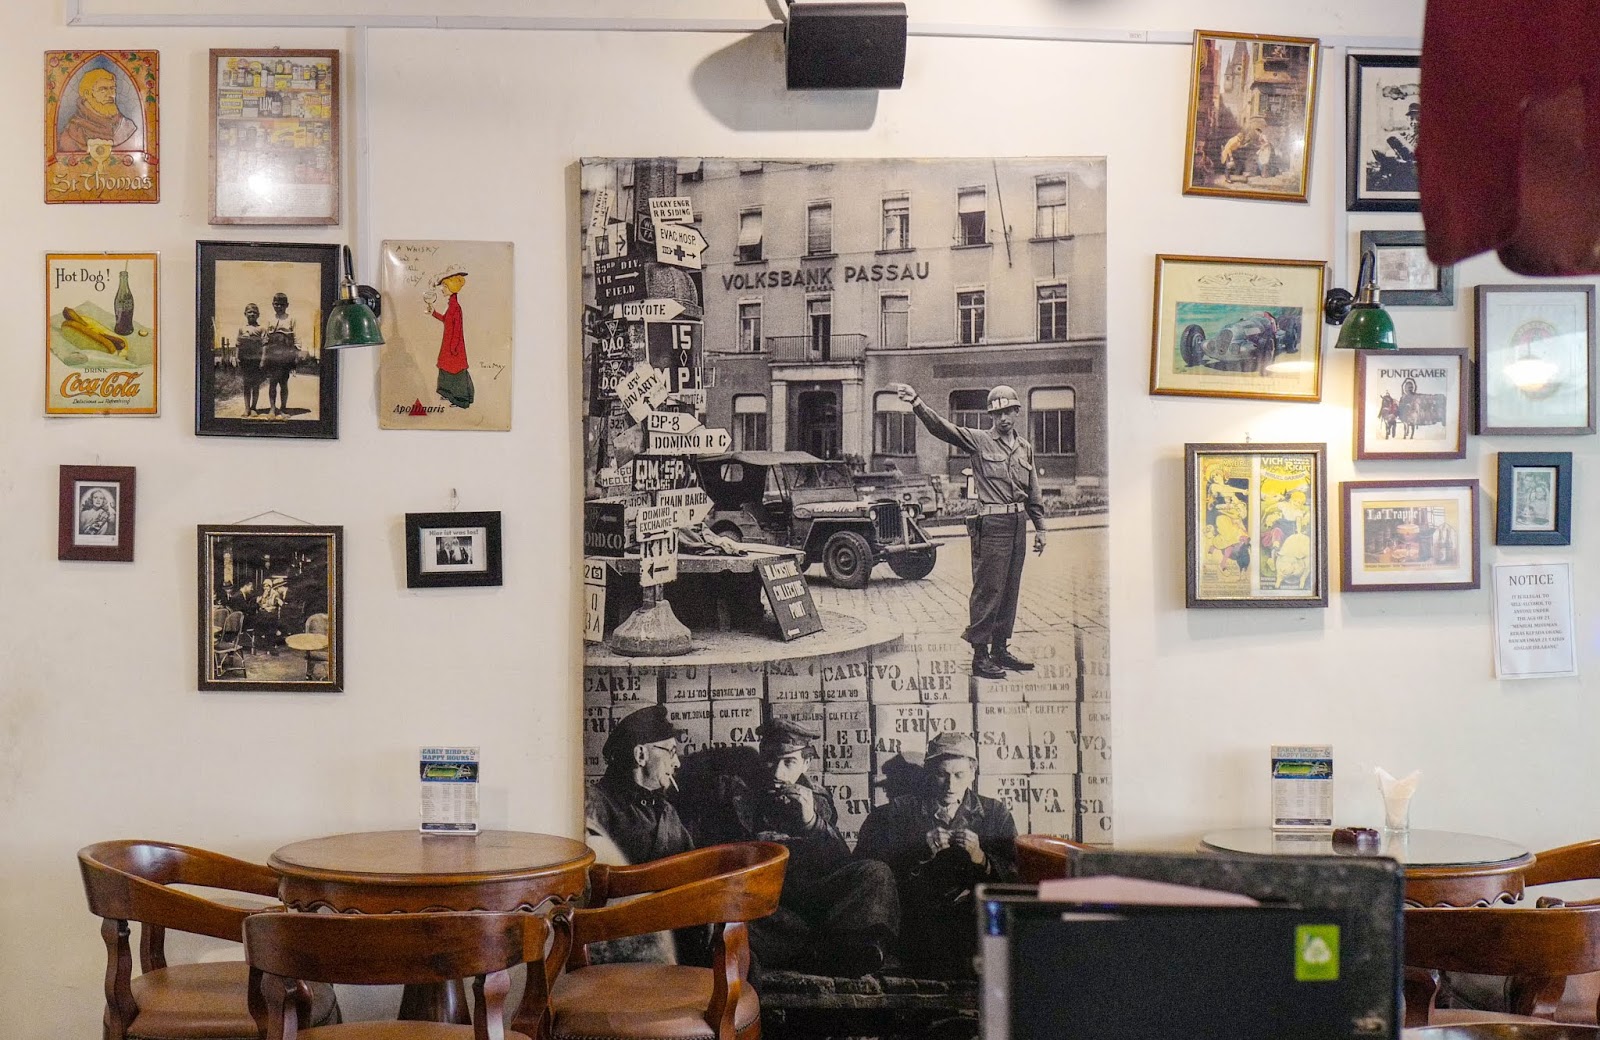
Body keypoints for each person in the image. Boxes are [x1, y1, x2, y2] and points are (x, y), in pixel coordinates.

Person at [708, 718, 899, 977]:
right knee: (730, 917)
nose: (777, 772)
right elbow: (714, 857)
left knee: (876, 873)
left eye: (789, 763)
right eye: (770, 760)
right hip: (763, 902)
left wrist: (812, 822)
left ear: (806, 764)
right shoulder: (734, 794)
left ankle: (834, 949)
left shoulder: (816, 798)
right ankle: (821, 952)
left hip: (810, 900)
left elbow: (841, 861)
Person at [891, 382, 1045, 680]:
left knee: (1010, 588)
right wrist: (917, 402)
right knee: (988, 589)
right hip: (992, 526)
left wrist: (1040, 527)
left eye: (1008, 412)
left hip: (1018, 525)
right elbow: (943, 429)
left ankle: (1000, 649)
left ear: (1017, 412)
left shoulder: (1024, 447)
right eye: (997, 413)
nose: (1003, 418)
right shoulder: (979, 440)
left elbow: (1033, 490)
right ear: (991, 416)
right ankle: (980, 656)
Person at [854, 732, 1017, 978]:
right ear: (929, 772)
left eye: (959, 775)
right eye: (942, 774)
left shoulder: (995, 813)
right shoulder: (898, 812)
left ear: (972, 773)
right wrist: (920, 851)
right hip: (916, 923)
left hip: (970, 924)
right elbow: (870, 874)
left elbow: (1015, 877)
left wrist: (981, 858)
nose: (950, 785)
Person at [588, 704, 695, 867]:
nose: (677, 763)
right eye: (671, 752)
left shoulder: (667, 811)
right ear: (641, 755)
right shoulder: (595, 803)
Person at [426, 269, 474, 409]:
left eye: (445, 287)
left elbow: (457, 330)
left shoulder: (456, 308)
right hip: (449, 345)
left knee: (456, 371)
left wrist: (453, 348)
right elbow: (446, 320)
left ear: (452, 288)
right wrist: (433, 313)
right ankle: (448, 393)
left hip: (454, 347)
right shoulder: (452, 306)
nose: (442, 289)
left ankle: (460, 400)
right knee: (446, 367)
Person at [58, 67, 137, 152]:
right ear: (87, 94)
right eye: (103, 89)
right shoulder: (74, 130)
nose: (111, 95)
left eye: (112, 88)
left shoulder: (126, 126)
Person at [261, 293, 300, 419]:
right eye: (276, 304)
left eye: (282, 304)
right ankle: (272, 408)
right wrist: (264, 356)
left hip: (286, 353)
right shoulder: (269, 319)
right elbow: (266, 337)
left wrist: (296, 354)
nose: (279, 307)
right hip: (273, 353)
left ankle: (283, 408)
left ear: (287, 305)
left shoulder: (291, 319)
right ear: (273, 304)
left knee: (283, 383)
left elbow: (296, 337)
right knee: (273, 382)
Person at [235, 303, 266, 416]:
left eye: (254, 312)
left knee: (255, 385)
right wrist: (236, 357)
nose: (252, 314)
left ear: (258, 315)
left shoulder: (261, 328)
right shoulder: (242, 329)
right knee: (246, 385)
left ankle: (253, 408)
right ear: (245, 314)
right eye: (249, 312)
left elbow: (264, 345)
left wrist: (263, 359)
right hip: (245, 360)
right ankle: (247, 408)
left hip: (256, 360)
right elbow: (238, 344)